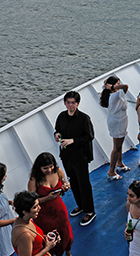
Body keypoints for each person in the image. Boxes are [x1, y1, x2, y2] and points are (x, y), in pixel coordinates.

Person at [53, 91, 96, 226]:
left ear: (77, 103)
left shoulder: (84, 118)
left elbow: (89, 136)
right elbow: (57, 129)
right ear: (65, 103)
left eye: (73, 103)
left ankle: (90, 211)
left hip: (80, 156)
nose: (70, 105)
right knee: (74, 182)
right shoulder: (61, 116)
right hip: (66, 156)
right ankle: (80, 205)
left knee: (83, 183)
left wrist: (73, 140)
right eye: (68, 102)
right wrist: (57, 134)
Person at [27, 153, 73, 256]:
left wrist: (66, 187)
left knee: (65, 231)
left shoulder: (58, 171)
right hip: (43, 214)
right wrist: (47, 198)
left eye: (51, 166)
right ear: (39, 168)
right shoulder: (34, 180)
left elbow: (65, 182)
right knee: (48, 236)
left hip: (59, 209)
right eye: (45, 168)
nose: (49, 170)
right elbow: (30, 201)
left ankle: (68, 252)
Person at [100, 75, 130, 181]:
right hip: (118, 122)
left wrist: (109, 86)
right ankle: (111, 170)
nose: (119, 84)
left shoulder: (109, 94)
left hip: (117, 120)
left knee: (119, 144)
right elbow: (125, 86)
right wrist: (113, 86)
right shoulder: (116, 94)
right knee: (116, 148)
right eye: (117, 83)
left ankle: (120, 163)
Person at [11, 191, 58, 256]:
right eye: (35, 207)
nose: (39, 208)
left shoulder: (25, 220)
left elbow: (34, 239)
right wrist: (47, 248)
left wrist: (48, 237)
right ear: (25, 212)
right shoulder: (24, 235)